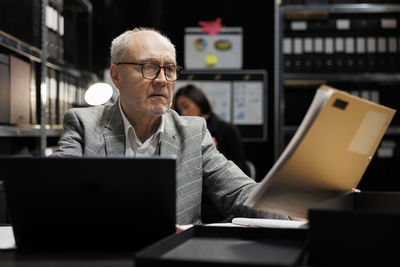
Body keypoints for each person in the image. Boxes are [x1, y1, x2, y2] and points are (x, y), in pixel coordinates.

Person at [51, 27, 287, 224]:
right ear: (116, 75)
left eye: (170, 69)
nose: (163, 80)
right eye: (149, 67)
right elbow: (50, 191)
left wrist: (295, 215)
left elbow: (239, 192)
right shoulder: (84, 125)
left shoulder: (193, 132)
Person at [173, 84, 249, 176]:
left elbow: (242, 168)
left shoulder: (227, 129)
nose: (183, 113)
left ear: (198, 101)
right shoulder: (180, 132)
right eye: (179, 111)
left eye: (186, 107)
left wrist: (214, 152)